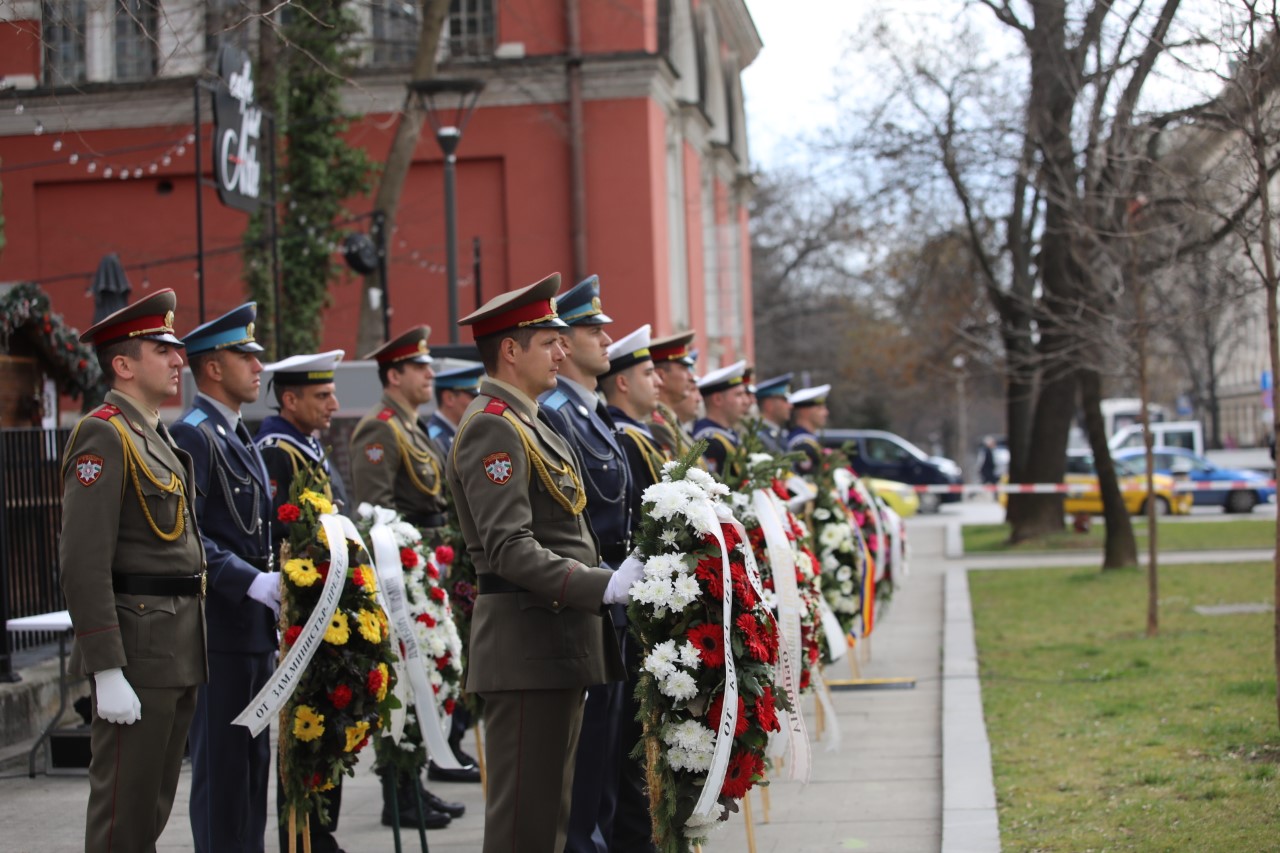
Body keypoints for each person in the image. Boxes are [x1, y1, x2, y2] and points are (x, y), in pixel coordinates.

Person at [445, 272, 640, 853]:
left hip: (552, 646)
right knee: (523, 829)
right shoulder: (492, 427)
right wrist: (602, 587)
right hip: (527, 651)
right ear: (510, 350)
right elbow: (507, 547)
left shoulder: (528, 420)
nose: (562, 350)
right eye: (548, 340)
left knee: (550, 822)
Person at [59, 288, 207, 853]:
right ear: (123, 364)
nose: (178, 360)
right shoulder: (104, 432)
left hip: (173, 647)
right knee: (123, 818)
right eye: (161, 349)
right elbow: (82, 561)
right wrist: (106, 668)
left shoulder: (152, 432)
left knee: (148, 812)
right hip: (138, 651)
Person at [350, 325, 467, 828]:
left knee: (429, 683)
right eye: (419, 367)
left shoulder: (412, 426)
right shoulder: (380, 428)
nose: (429, 375)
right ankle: (397, 794)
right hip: (403, 577)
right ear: (393, 374)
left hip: (427, 569)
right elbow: (377, 513)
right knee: (403, 681)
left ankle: (414, 782)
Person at [171, 303, 277, 853]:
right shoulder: (193, 435)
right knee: (222, 776)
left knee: (253, 772)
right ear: (212, 367)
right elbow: (184, 536)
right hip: (218, 633)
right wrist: (249, 581)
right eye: (246, 356)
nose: (258, 367)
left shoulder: (235, 431)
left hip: (253, 631)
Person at [536, 274, 633, 853]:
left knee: (604, 765)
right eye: (595, 329)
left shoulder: (589, 413)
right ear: (565, 344)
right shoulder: (556, 415)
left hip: (614, 602)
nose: (606, 338)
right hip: (589, 600)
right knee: (583, 779)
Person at [255, 350, 349, 853]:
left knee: (329, 719)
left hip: (327, 607)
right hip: (302, 611)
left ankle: (320, 830)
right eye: (322, 395)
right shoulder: (277, 450)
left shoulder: (306, 446)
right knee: (303, 723)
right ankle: (302, 834)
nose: (334, 403)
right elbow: (277, 534)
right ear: (290, 400)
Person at [600, 324, 668, 853]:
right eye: (649, 373)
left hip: (635, 599)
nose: (661, 383)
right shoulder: (624, 436)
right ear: (621, 383)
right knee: (623, 742)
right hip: (623, 598)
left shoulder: (636, 435)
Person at [691, 360, 751, 475]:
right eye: (739, 395)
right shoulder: (708, 441)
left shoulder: (728, 433)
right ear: (718, 399)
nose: (746, 401)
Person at [647, 331, 698, 459]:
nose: (690, 376)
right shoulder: (657, 425)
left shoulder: (671, 421)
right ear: (661, 376)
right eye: (683, 368)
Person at [424, 363, 484, 455]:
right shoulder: (434, 440)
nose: (478, 403)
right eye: (473, 397)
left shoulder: (464, 434)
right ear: (449, 398)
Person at [787, 384, 831, 476]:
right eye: (820, 408)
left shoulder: (809, 440)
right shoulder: (802, 444)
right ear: (804, 411)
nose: (826, 413)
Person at [753, 373, 794, 456]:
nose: (790, 406)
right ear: (769, 405)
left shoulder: (778, 434)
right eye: (784, 400)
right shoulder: (758, 436)